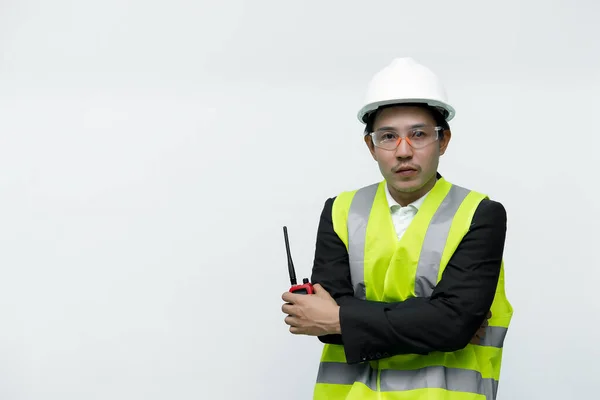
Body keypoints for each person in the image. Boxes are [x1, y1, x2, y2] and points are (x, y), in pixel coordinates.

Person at [281, 57, 513, 399]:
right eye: (388, 137)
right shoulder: (340, 211)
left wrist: (338, 317)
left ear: (443, 140)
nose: (404, 151)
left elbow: (452, 326)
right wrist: (433, 319)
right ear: (371, 146)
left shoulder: (480, 214)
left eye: (418, 134)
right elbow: (325, 329)